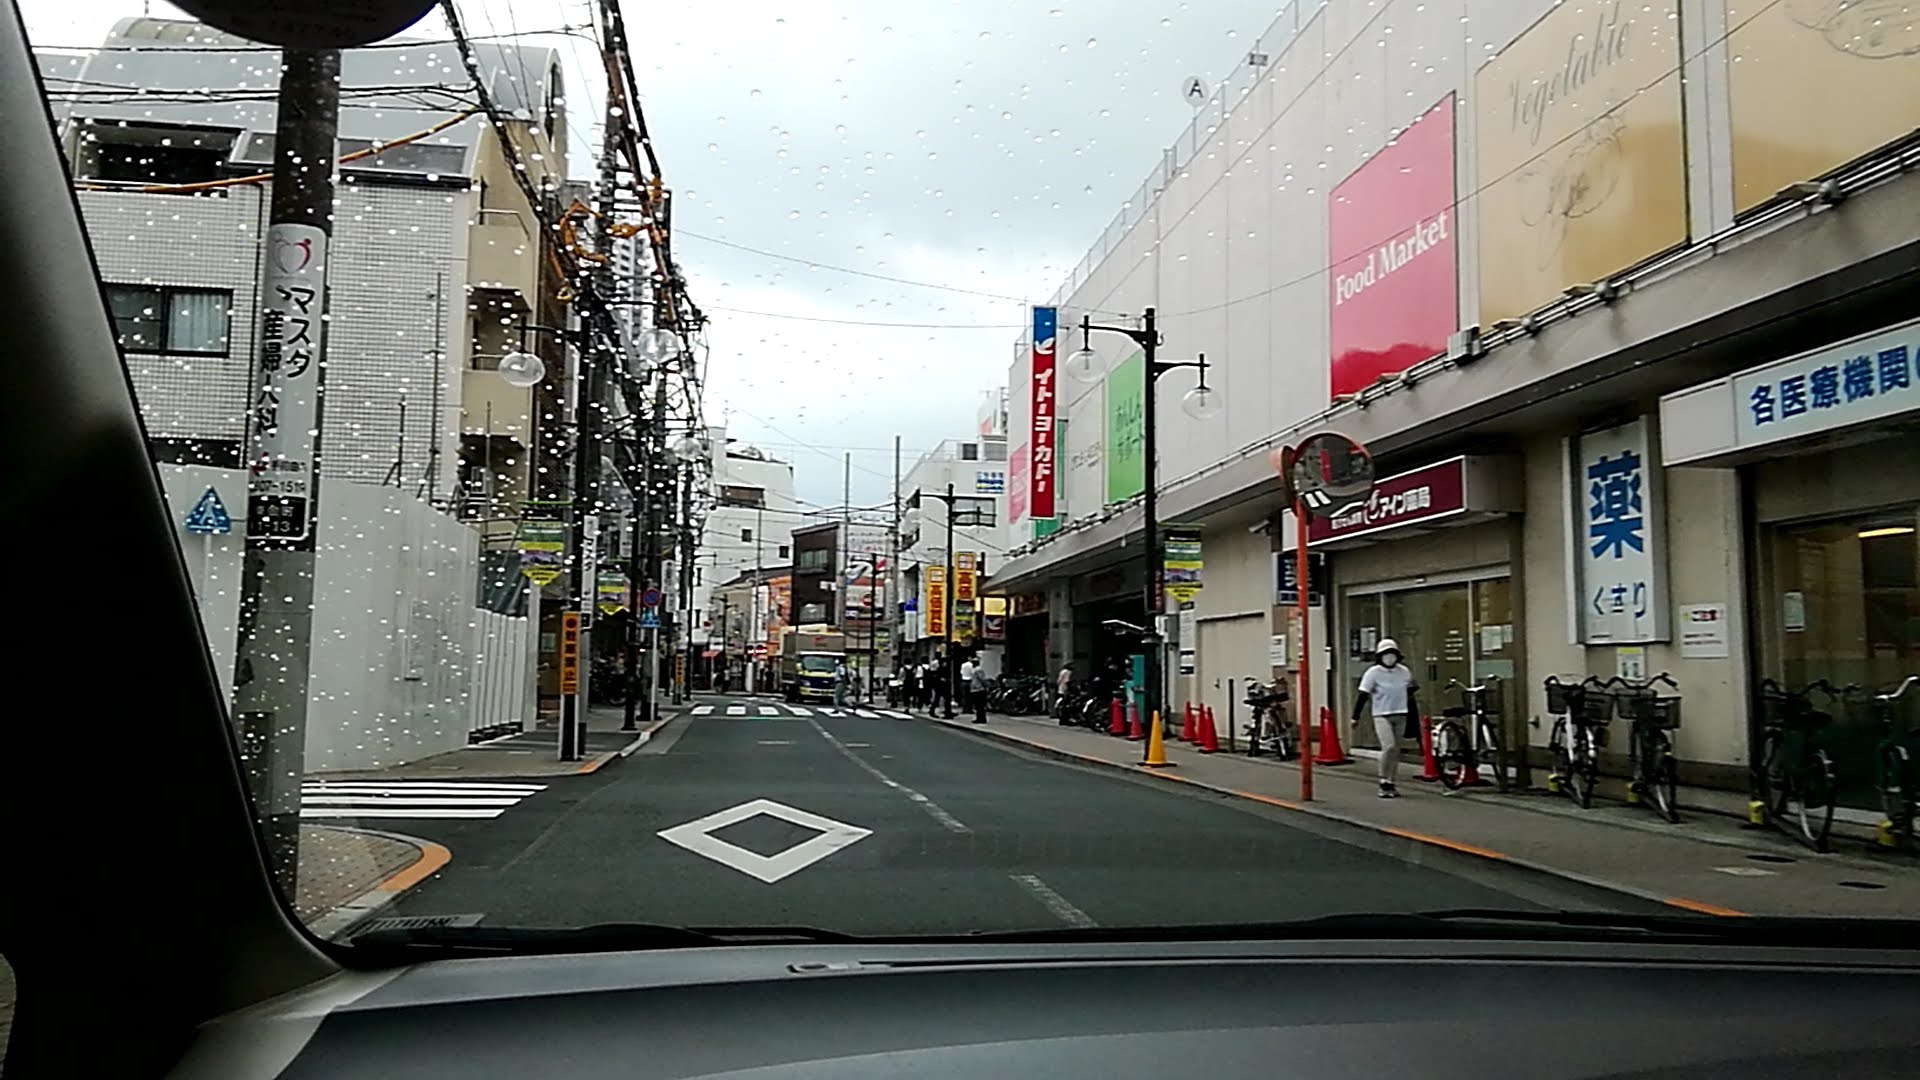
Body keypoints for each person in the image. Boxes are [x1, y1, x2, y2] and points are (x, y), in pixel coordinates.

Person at [1355, 638, 1418, 799]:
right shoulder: (1373, 673)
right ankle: (1383, 779)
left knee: (1396, 750)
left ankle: (1391, 781)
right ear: (1380, 656)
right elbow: (1363, 695)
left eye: (1392, 654)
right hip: (1381, 714)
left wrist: (1413, 716)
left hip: (1401, 713)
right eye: (1386, 654)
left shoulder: (1404, 671)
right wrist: (1355, 717)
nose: (1389, 658)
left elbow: (1411, 692)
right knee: (1388, 746)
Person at [968, 656, 989, 724]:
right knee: (977, 705)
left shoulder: (978, 670)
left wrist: (986, 686)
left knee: (980, 705)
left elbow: (982, 679)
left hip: (979, 689)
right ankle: (979, 718)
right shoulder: (974, 670)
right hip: (975, 689)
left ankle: (981, 719)